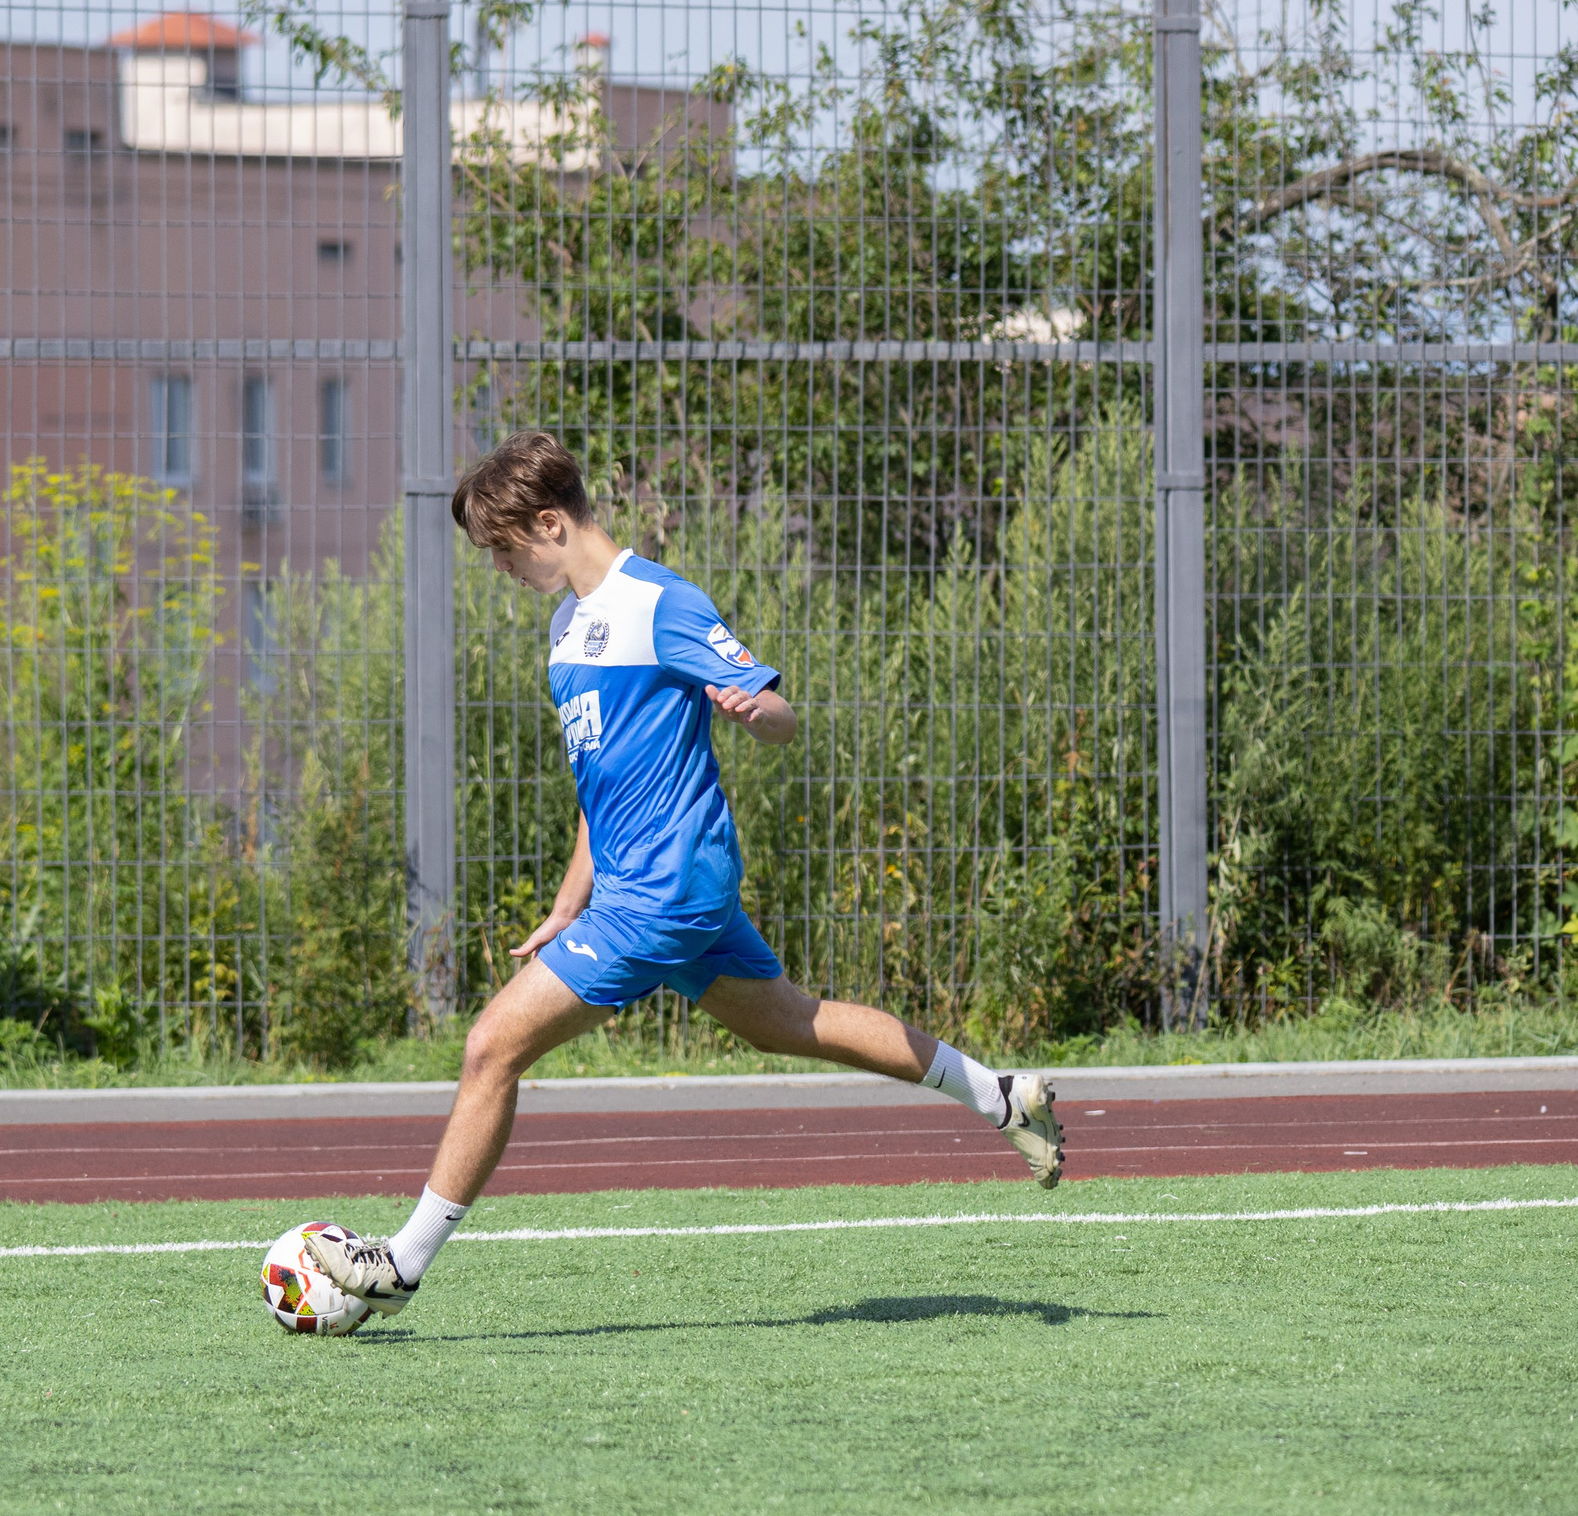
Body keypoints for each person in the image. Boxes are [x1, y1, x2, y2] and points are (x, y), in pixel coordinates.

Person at [307, 430, 1064, 1317]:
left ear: (548, 523)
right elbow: (601, 783)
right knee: (792, 1022)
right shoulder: (565, 627)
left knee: (490, 1047)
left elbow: (779, 711)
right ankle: (1002, 1095)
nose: (500, 569)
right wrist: (568, 903)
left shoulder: (659, 602)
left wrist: (756, 713)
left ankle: (401, 1266)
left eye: (503, 549)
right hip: (655, 889)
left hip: (662, 893)